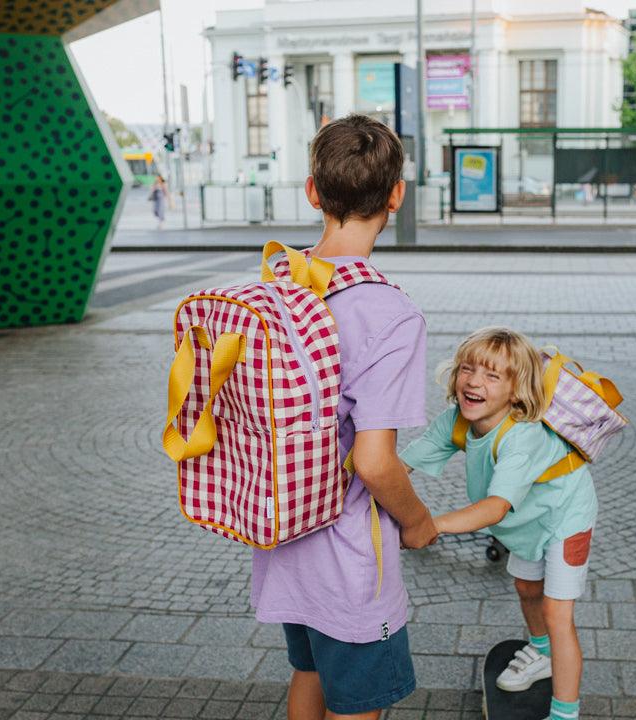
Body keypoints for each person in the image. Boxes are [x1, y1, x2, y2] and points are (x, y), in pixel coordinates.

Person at [250, 114, 437, 720]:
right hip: (351, 559)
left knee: (309, 673)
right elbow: (374, 461)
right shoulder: (389, 312)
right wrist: (416, 522)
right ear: (396, 195)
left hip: (285, 540)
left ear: (312, 191)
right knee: (357, 704)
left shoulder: (279, 284)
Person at [401, 327, 598, 720]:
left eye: (493, 376)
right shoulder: (456, 421)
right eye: (467, 369)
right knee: (527, 588)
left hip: (564, 519)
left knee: (558, 614)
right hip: (523, 524)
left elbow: (493, 508)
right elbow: (398, 465)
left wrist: (431, 525)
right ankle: (541, 655)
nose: (474, 382)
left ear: (516, 390)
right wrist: (346, 487)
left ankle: (565, 713)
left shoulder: (521, 436)